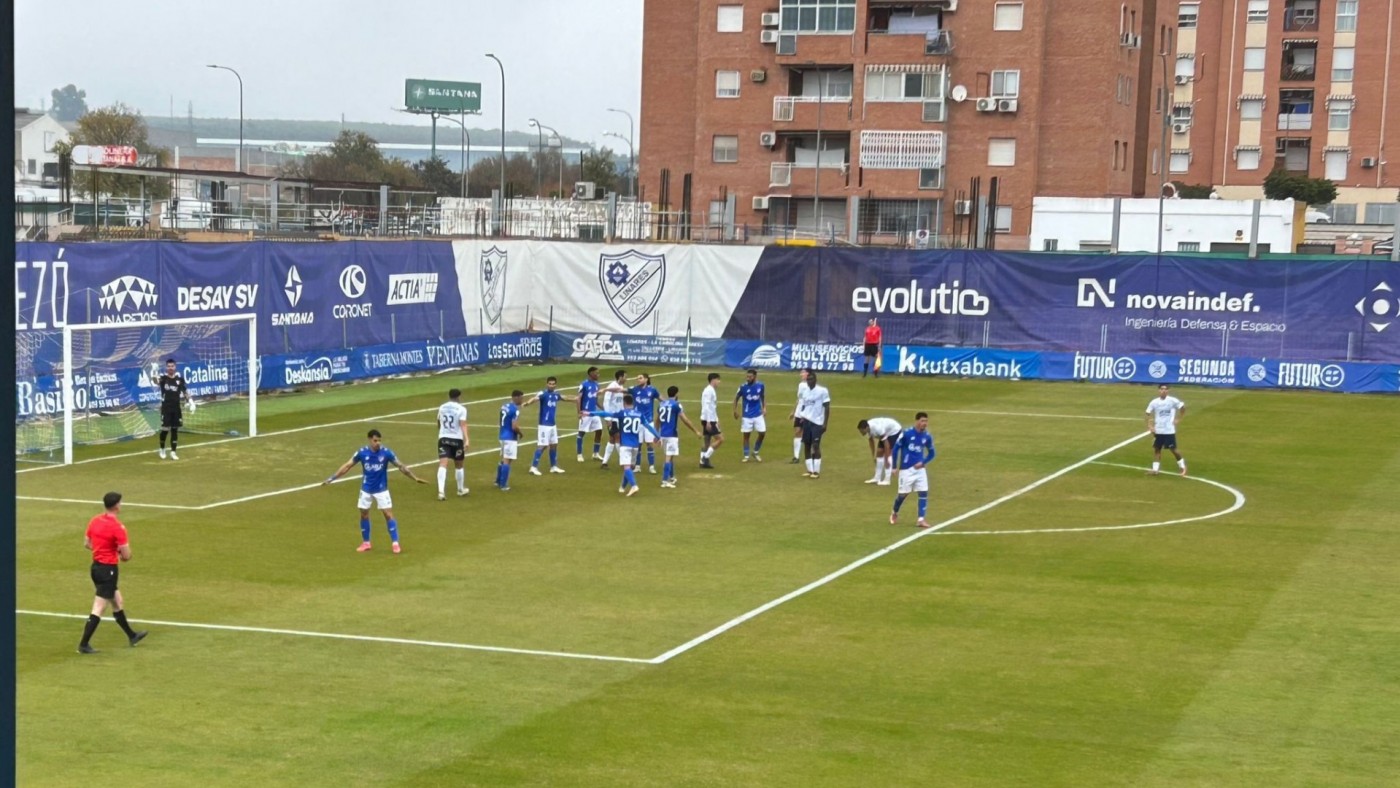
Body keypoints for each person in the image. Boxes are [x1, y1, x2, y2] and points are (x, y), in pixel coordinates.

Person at [323, 428, 426, 554]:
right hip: (366, 489)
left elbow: (400, 466)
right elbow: (347, 466)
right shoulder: (362, 453)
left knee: (388, 514)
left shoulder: (386, 453)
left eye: (379, 441)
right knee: (364, 514)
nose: (378, 443)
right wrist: (332, 478)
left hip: (381, 490)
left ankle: (395, 543)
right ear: (369, 440)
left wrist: (414, 478)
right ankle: (366, 543)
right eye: (375, 441)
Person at [77, 491, 148, 654]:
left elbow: (87, 543)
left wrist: (101, 550)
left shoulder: (95, 520)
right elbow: (126, 555)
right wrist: (118, 553)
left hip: (96, 568)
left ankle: (132, 635)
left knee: (117, 601)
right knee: (99, 607)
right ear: (116, 506)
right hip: (108, 569)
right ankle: (83, 644)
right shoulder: (118, 527)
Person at [590, 393, 661, 496]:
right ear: (633, 403)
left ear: (624, 403)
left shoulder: (622, 413)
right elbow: (648, 427)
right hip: (635, 446)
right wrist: (657, 436)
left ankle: (634, 486)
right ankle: (622, 487)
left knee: (626, 467)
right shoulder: (639, 414)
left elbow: (606, 413)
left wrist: (590, 413)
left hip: (625, 445)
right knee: (630, 467)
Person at [889, 412, 936, 528]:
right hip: (906, 470)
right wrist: (894, 466)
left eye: (926, 421)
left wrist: (923, 462)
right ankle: (894, 512)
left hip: (920, 470)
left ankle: (921, 519)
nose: (924, 423)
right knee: (903, 495)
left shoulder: (927, 436)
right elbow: (895, 449)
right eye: (922, 421)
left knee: (923, 492)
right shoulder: (907, 434)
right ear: (917, 421)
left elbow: (932, 453)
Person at [526, 376, 576, 476]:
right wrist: (527, 403)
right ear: (547, 384)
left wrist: (576, 398)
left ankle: (553, 467)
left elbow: (565, 398)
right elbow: (534, 398)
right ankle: (533, 467)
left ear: (556, 385)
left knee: (553, 444)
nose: (551, 386)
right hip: (544, 425)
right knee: (542, 445)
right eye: (550, 384)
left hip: (552, 425)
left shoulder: (556, 395)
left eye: (553, 384)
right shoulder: (543, 394)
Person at [657, 385, 703, 488]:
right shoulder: (676, 405)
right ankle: (665, 481)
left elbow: (657, 420)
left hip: (663, 434)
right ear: (676, 393)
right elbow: (685, 420)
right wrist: (696, 431)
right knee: (668, 457)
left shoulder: (661, 404)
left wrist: (656, 434)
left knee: (670, 456)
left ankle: (672, 477)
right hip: (671, 435)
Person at [156, 358, 197, 460]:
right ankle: (162, 449)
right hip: (166, 408)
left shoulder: (180, 380)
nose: (170, 368)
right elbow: (155, 381)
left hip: (176, 408)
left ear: (175, 367)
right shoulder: (163, 379)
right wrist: (155, 378)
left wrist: (191, 402)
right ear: (166, 367)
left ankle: (173, 452)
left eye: (172, 366)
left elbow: (185, 392)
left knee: (175, 430)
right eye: (168, 366)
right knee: (165, 430)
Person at [1145, 384, 1187, 476]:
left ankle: (1182, 467)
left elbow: (1182, 407)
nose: (1163, 391)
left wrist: (1179, 419)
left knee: (1173, 449)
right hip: (1158, 430)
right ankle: (1155, 470)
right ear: (1159, 390)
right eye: (1162, 389)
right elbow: (1147, 413)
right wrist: (1150, 426)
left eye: (1165, 389)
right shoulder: (1154, 402)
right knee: (1157, 449)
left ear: (1168, 391)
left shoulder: (1172, 400)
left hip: (1169, 430)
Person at [435, 388, 469, 500]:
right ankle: (460, 489)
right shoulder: (462, 409)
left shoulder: (442, 407)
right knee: (459, 465)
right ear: (458, 397)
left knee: (443, 464)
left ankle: (441, 492)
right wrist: (467, 439)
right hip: (456, 440)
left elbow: (438, 421)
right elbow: (463, 424)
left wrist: (442, 432)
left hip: (443, 438)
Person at [797, 369, 831, 478]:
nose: (809, 381)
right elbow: (804, 404)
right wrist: (802, 416)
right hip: (807, 421)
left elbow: (827, 407)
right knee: (807, 445)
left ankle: (816, 471)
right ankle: (809, 470)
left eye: (811, 379)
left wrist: (825, 423)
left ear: (815, 380)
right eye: (808, 380)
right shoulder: (805, 391)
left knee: (815, 445)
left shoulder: (822, 391)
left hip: (817, 422)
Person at [733, 368, 767, 462]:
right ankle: (746, 455)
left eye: (750, 377)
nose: (748, 378)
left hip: (758, 414)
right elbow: (736, 398)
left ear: (755, 377)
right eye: (747, 376)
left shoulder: (761, 385)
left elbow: (762, 397)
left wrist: (764, 408)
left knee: (762, 433)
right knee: (746, 435)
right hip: (747, 415)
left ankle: (755, 451)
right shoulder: (743, 387)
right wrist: (735, 410)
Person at [629, 373, 661, 474]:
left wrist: (670, 404)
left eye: (640, 378)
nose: (638, 379)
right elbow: (621, 390)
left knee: (649, 444)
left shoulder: (652, 390)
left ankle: (651, 466)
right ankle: (637, 466)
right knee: (637, 445)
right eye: (637, 378)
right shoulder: (634, 389)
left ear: (646, 379)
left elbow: (661, 399)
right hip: (637, 422)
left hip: (648, 422)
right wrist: (606, 390)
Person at [857, 416, 903, 485]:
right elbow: (871, 441)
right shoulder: (868, 429)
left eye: (862, 431)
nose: (861, 433)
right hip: (885, 432)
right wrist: (874, 456)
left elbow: (887, 445)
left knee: (888, 453)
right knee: (879, 452)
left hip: (894, 431)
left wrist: (886, 460)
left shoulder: (877, 428)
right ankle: (877, 478)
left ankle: (887, 480)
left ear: (866, 428)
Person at [599, 369, 629, 469]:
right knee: (618, 438)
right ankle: (624, 461)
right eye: (625, 377)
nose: (626, 379)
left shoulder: (620, 387)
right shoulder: (611, 386)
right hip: (612, 417)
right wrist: (608, 418)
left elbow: (620, 403)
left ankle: (604, 462)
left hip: (619, 417)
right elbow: (606, 402)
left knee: (612, 439)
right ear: (620, 377)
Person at [497, 390, 525, 490]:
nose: (522, 400)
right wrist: (520, 433)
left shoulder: (504, 406)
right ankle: (503, 484)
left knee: (504, 459)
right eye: (521, 398)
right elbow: (514, 426)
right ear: (516, 397)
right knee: (507, 460)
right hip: (510, 437)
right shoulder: (515, 410)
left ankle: (498, 480)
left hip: (502, 435)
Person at [575, 367, 603, 462]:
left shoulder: (596, 385)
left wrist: (602, 408)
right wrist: (579, 412)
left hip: (594, 412)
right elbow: (578, 399)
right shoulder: (584, 384)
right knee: (581, 433)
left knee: (599, 431)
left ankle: (596, 453)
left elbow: (595, 400)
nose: (598, 375)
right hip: (585, 413)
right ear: (591, 373)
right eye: (596, 373)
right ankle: (579, 454)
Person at [699, 372, 724, 468]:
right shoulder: (709, 391)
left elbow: (712, 407)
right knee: (720, 439)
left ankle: (702, 463)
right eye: (718, 380)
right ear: (713, 380)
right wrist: (709, 421)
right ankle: (705, 457)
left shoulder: (710, 390)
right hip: (708, 420)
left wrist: (717, 419)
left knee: (707, 441)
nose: (719, 382)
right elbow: (706, 406)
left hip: (708, 418)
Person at [789, 368, 809, 463]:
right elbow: (799, 399)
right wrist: (793, 411)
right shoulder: (800, 385)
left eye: (803, 373)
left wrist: (805, 413)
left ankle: (810, 456)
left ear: (808, 374)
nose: (801, 374)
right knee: (797, 432)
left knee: (807, 434)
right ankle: (796, 457)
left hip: (807, 412)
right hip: (798, 412)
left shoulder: (811, 386)